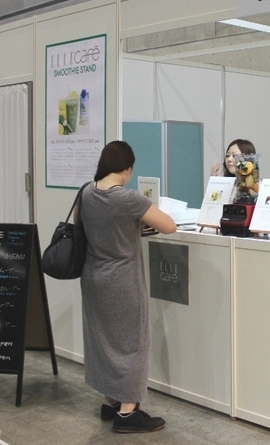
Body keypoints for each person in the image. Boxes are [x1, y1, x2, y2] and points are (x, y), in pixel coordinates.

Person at [79, 140, 176, 434]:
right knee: (133, 344)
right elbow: (169, 225)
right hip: (122, 281)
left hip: (93, 277)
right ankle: (127, 413)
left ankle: (111, 403)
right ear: (127, 168)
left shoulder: (86, 192)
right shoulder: (127, 198)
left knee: (104, 343)